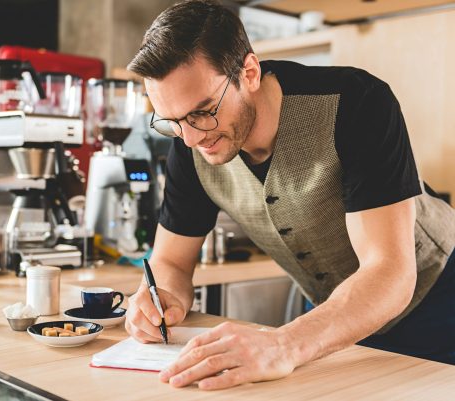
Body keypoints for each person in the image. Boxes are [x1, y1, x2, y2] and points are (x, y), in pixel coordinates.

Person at [123, 0, 455, 391]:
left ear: (249, 72)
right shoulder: (189, 143)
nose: (192, 138)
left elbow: (391, 274)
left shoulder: (357, 102)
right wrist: (159, 295)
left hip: (438, 298)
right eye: (172, 121)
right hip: (332, 314)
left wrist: (284, 343)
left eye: (203, 111)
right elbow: (170, 262)